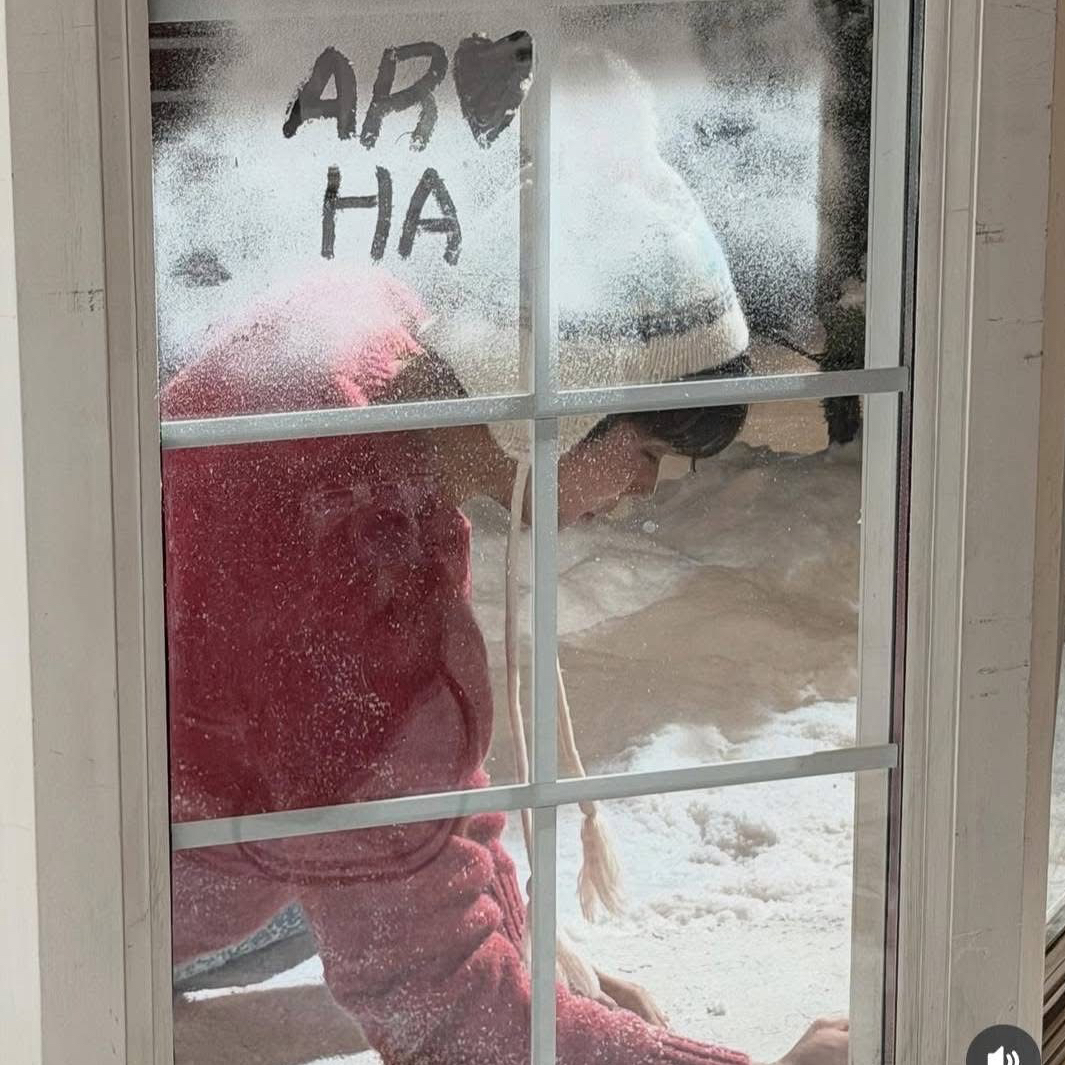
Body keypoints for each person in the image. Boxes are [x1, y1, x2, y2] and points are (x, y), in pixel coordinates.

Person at [163, 50, 849, 1065]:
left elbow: (422, 768)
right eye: (649, 452)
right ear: (560, 403)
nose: (651, 489)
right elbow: (450, 1023)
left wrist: (516, 932)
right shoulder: (332, 587)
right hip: (119, 908)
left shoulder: (363, 333)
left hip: (190, 798)